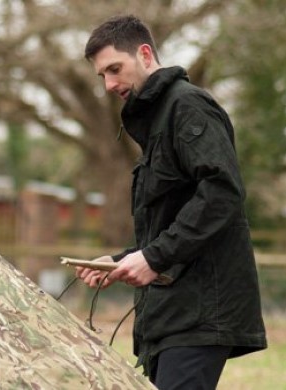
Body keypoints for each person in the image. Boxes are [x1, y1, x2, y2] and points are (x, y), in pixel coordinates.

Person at [76, 14, 267, 389]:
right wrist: (121, 262)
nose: (110, 84)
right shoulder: (158, 120)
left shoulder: (187, 106)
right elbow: (173, 221)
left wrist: (153, 258)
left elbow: (221, 192)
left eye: (115, 69)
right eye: (102, 76)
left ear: (145, 54)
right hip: (174, 313)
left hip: (199, 313)